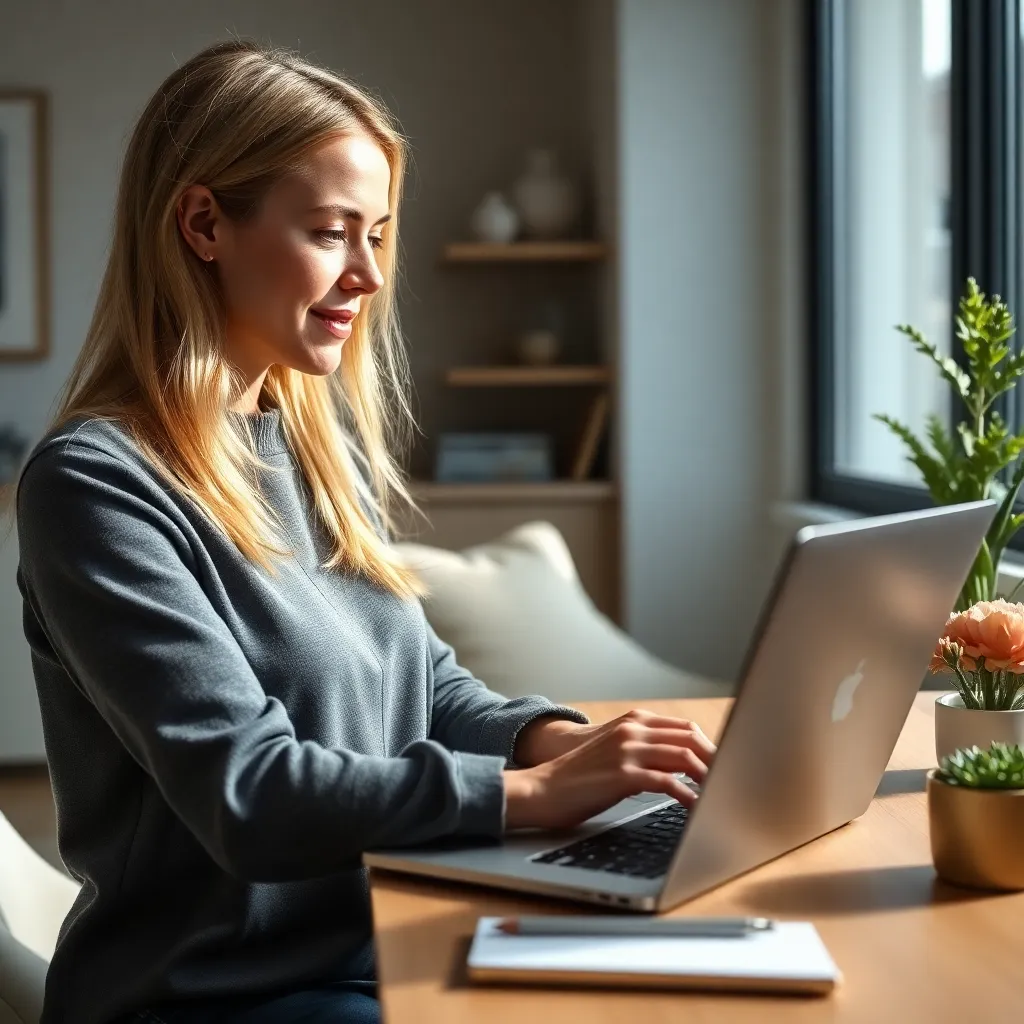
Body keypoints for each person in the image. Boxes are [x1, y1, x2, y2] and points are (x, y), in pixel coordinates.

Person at [12, 39, 716, 1024]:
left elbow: (422, 683)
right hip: (215, 997)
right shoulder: (94, 488)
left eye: (377, 233)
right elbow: (250, 794)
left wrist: (562, 744)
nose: (370, 274)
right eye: (334, 232)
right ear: (204, 223)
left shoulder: (304, 444)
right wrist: (532, 795)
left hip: (377, 937)